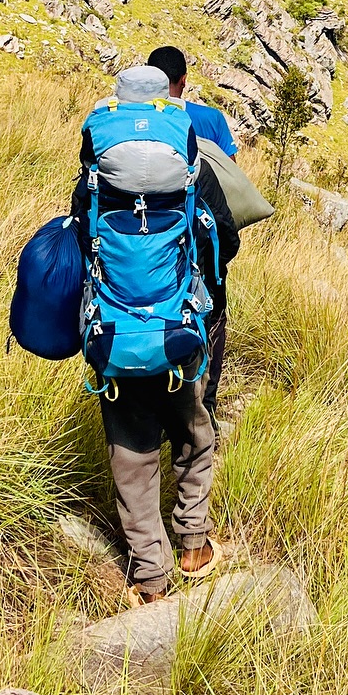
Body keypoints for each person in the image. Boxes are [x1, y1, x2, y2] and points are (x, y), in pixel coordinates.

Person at [71, 63, 239, 604]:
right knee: (194, 433)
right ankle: (193, 546)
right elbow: (224, 240)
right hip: (180, 330)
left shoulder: (95, 177)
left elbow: (82, 245)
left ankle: (150, 577)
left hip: (114, 332)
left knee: (132, 454)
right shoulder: (191, 169)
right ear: (168, 100)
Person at [147, 44, 240, 418]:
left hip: (144, 254)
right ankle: (204, 407)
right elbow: (231, 183)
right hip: (197, 254)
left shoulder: (128, 124)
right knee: (212, 316)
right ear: (183, 80)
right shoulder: (210, 120)